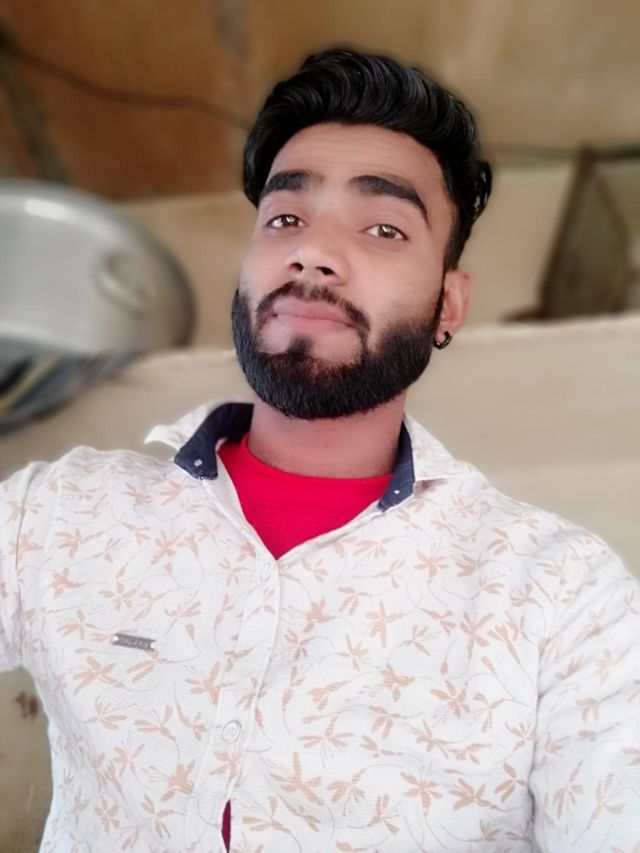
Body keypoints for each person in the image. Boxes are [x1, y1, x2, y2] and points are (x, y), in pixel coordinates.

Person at [1, 47, 639, 853]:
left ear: (449, 305)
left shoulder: (560, 597)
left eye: (384, 227)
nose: (313, 251)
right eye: (285, 218)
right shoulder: (60, 513)